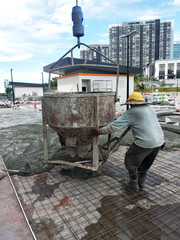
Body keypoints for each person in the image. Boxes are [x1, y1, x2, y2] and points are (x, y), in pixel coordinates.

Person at [92, 92, 165, 191]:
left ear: (132, 104)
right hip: (159, 141)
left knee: (130, 159)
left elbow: (113, 127)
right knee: (145, 162)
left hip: (145, 142)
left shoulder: (131, 112)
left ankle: (133, 183)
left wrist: (99, 131)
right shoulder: (150, 109)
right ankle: (141, 183)